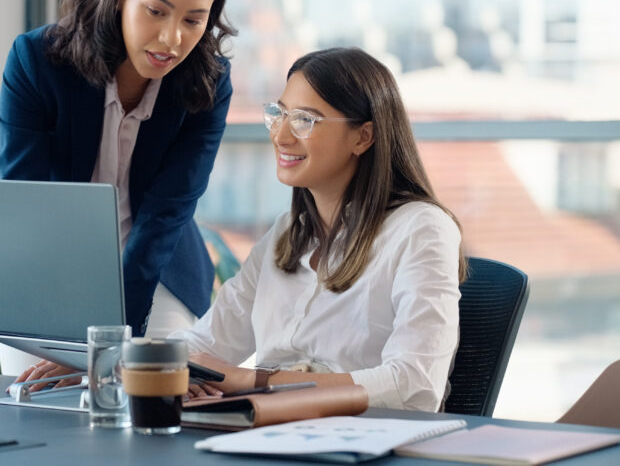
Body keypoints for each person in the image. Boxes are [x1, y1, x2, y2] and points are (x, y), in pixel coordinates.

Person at [0, 0, 237, 356]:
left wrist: (115, 338)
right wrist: (69, 325)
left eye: (193, 21)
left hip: (152, 268)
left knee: (154, 389)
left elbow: (168, 210)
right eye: (155, 11)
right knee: (33, 399)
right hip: (40, 258)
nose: (171, 39)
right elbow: (29, 198)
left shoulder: (208, 83)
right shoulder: (38, 60)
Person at [174, 47, 466, 412]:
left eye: (304, 120)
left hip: (364, 441)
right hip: (272, 433)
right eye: (278, 114)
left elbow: (414, 385)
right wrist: (174, 370)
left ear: (363, 137)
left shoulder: (421, 230)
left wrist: (254, 381)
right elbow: (202, 347)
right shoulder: (285, 236)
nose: (281, 136)